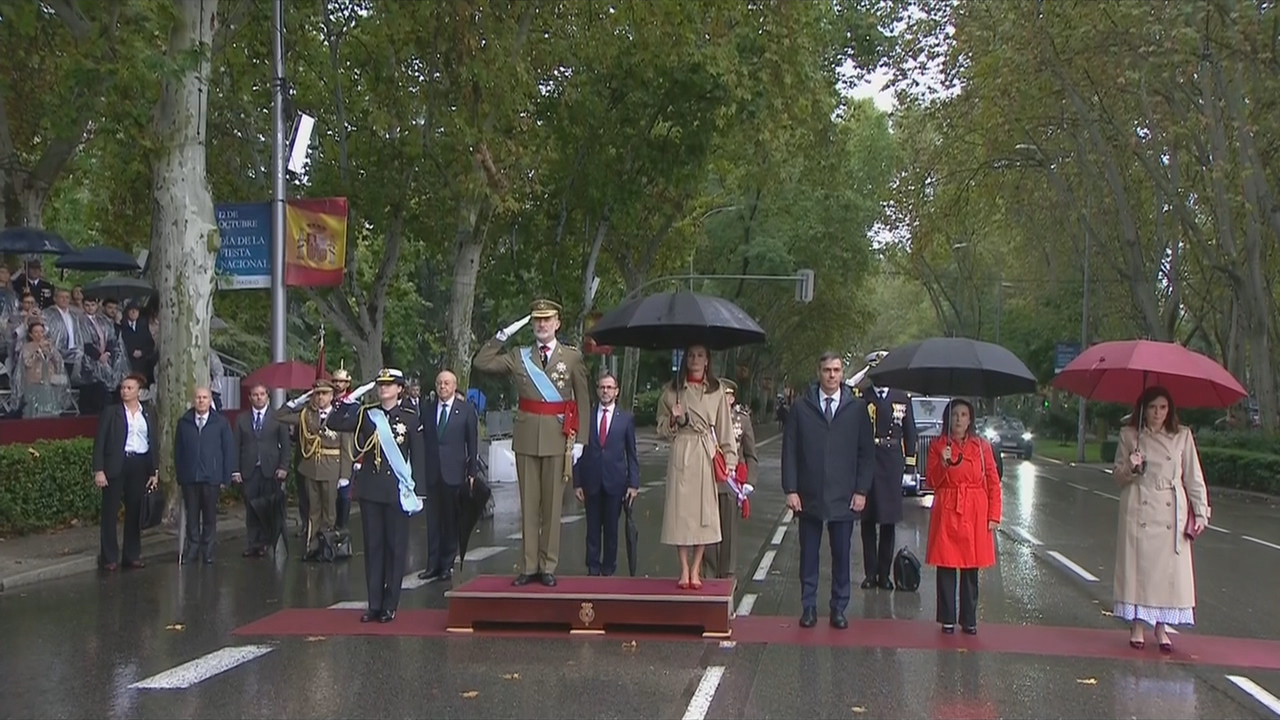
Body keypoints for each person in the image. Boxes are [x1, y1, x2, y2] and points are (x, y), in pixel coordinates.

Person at [473, 298, 590, 587]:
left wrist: (581, 441)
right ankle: (528, 565)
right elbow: (481, 361)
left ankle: (547, 565)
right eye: (537, 320)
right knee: (529, 506)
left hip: (558, 437)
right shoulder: (518, 355)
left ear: (557, 324)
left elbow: (584, 401)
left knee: (551, 507)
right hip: (526, 437)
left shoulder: (572, 357)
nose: (541, 325)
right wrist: (506, 333)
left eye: (547, 320)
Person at [1112, 386, 1210, 652]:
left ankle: (1162, 627)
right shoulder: (1130, 435)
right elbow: (1118, 477)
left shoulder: (1182, 436)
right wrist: (1132, 466)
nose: (1158, 413)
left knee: (1168, 573)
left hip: (1170, 510)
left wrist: (1201, 511)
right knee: (1139, 568)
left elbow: (1193, 476)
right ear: (1143, 409)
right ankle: (1137, 625)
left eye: (1163, 408)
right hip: (1139, 508)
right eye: (1153, 407)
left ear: (1170, 410)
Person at [781, 352, 875, 629]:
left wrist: (861, 490)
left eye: (836, 370)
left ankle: (838, 608)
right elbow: (790, 452)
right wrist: (791, 489)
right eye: (826, 370)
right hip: (809, 494)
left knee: (841, 555)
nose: (831, 375)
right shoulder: (801, 408)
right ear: (818, 372)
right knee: (808, 555)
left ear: (842, 373)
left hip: (844, 495)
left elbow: (866, 454)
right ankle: (808, 606)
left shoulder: (856, 409)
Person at [326, 368, 425, 623]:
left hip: (396, 491)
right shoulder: (367, 415)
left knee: (395, 548)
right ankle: (374, 604)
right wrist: (344, 402)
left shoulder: (411, 417)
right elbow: (335, 422)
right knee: (373, 548)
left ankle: (390, 604)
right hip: (371, 489)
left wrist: (420, 492)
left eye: (389, 385)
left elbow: (420, 455)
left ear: (399, 389)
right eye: (380, 384)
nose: (383, 389)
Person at [657, 344, 736, 590]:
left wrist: (730, 459)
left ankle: (696, 568)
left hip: (705, 451)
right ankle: (683, 568)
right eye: (691, 355)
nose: (695, 360)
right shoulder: (672, 391)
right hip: (682, 450)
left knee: (704, 513)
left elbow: (724, 428)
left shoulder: (717, 391)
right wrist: (672, 418)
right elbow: (660, 427)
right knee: (681, 513)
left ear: (707, 360)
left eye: (700, 355)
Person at [925, 398, 1001, 635]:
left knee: (970, 567)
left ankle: (969, 619)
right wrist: (944, 464)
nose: (958, 419)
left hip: (974, 510)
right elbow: (931, 481)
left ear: (970, 420)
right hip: (948, 508)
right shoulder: (938, 446)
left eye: (964, 415)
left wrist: (994, 515)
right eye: (955, 415)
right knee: (946, 565)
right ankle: (947, 618)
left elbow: (992, 481)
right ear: (947, 418)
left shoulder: (981, 447)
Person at [856, 350, 918, 590]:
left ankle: (884, 574)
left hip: (892, 461)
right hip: (868, 459)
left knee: (888, 521)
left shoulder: (902, 398)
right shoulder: (863, 396)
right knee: (868, 520)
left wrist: (910, 466)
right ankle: (870, 573)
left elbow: (910, 431)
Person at [417, 369, 479, 583]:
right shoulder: (427, 409)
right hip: (432, 472)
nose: (442, 387)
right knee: (433, 521)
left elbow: (472, 443)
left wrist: (472, 472)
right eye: (439, 383)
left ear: (454, 386)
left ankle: (446, 564)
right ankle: (432, 565)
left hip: (455, 472)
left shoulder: (466, 410)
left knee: (450, 521)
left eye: (446, 383)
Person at [573, 372, 639, 576]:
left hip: (615, 482)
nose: (605, 391)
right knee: (592, 529)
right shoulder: (587, 416)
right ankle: (593, 568)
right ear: (597, 390)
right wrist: (577, 482)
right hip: (591, 481)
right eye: (602, 387)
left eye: (609, 388)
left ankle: (609, 568)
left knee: (611, 529)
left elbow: (631, 453)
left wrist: (633, 484)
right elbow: (577, 450)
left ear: (616, 392)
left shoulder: (625, 419)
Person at [275, 378, 351, 553]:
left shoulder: (341, 416)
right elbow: (279, 416)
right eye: (317, 394)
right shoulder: (307, 415)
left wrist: (345, 475)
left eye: (324, 394)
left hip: (332, 468)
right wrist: (299, 400)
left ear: (332, 396)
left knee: (329, 512)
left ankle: (328, 546)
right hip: (311, 468)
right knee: (313, 510)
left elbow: (346, 447)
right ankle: (313, 547)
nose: (320, 398)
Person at [92, 373, 158, 571]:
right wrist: (99, 470)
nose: (125, 391)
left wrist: (154, 470)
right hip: (116, 464)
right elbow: (100, 442)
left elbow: (153, 442)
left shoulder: (147, 413)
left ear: (139, 391)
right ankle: (109, 556)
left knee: (135, 511)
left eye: (129, 388)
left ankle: (132, 555)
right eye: (123, 388)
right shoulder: (112, 412)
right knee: (110, 511)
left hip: (139, 464)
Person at [174, 387, 237, 564]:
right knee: (192, 516)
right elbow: (178, 451)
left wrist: (226, 477)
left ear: (210, 400)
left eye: (204, 398)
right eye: (198, 398)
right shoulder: (184, 422)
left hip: (212, 477)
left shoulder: (221, 423)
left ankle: (208, 551)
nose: (201, 401)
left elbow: (228, 450)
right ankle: (192, 549)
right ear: (193, 400)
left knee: (209, 516)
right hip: (190, 477)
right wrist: (181, 475)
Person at [703, 378, 757, 579]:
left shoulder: (741, 420)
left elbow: (751, 454)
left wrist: (749, 481)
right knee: (705, 532)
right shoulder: (706, 419)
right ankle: (708, 574)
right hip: (706, 482)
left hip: (730, 484)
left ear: (731, 398)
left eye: (724, 395)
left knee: (728, 536)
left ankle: (726, 576)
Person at [234, 384, 292, 557]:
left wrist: (284, 466)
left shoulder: (277, 417)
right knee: (251, 508)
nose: (258, 397)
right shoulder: (241, 419)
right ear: (250, 397)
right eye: (255, 395)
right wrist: (235, 470)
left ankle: (267, 541)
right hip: (249, 470)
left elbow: (286, 445)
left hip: (271, 469)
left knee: (267, 507)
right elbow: (236, 445)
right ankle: (254, 543)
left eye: (261, 394)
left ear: (268, 396)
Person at [330, 364, 355, 530]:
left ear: (347, 384)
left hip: (347, 453)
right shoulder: (328, 401)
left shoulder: (353, 404)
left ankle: (342, 528)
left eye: (342, 381)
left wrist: (358, 458)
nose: (338, 384)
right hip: (329, 454)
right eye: (336, 381)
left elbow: (358, 432)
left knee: (344, 493)